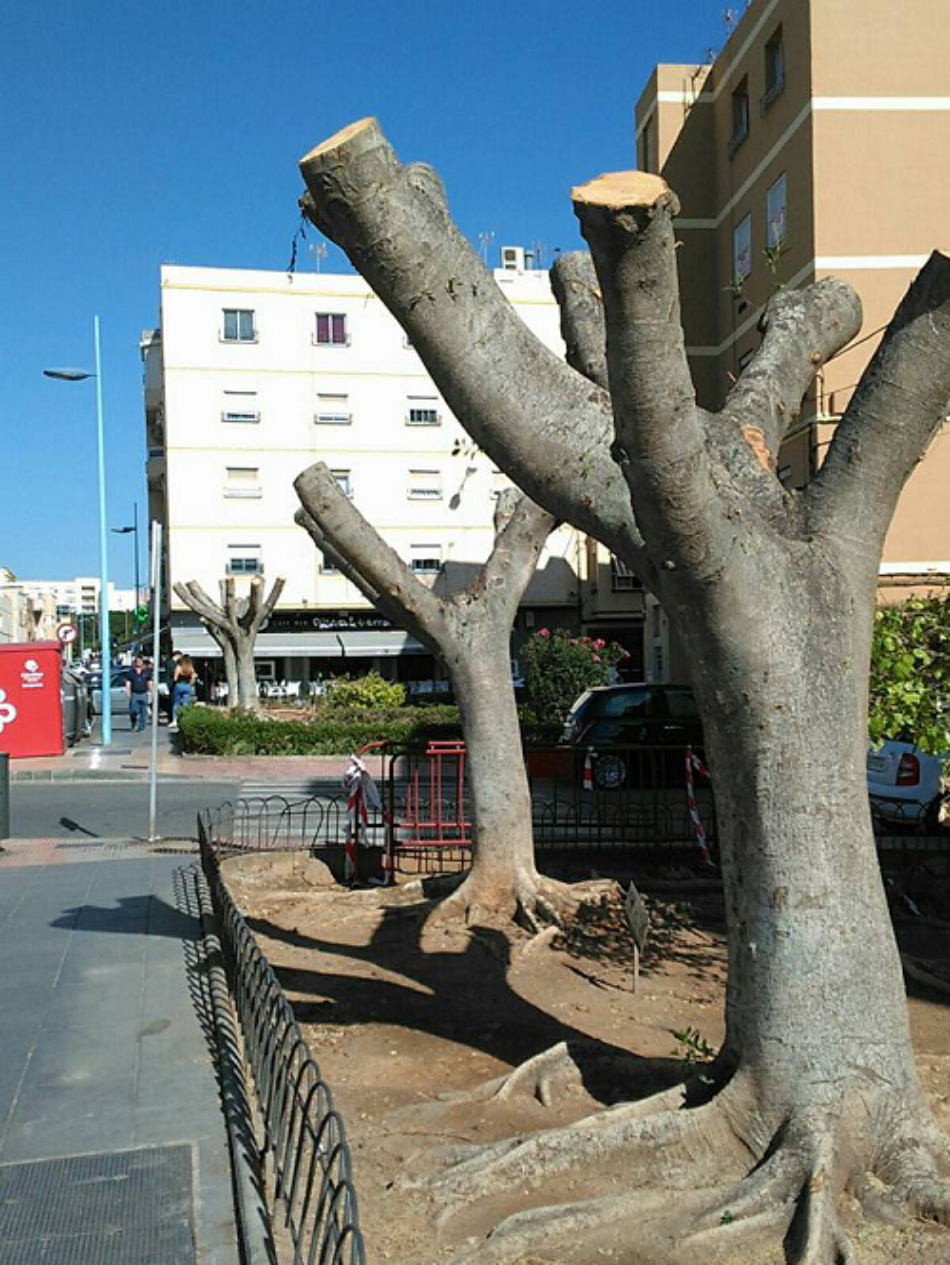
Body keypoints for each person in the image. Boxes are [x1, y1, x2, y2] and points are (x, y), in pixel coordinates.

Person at [125, 656, 152, 733]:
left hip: (144, 693)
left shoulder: (146, 672)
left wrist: (150, 692)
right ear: (135, 662)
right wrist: (128, 692)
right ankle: (133, 722)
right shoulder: (131, 672)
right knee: (133, 710)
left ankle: (142, 726)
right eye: (137, 661)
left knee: (144, 711)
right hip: (134, 693)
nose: (139, 663)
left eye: (140, 661)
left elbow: (149, 682)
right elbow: (128, 682)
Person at [169, 654, 196, 730]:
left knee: (176, 703)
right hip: (187, 686)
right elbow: (193, 678)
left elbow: (175, 678)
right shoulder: (190, 668)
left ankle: (175, 720)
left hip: (179, 685)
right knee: (185, 703)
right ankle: (185, 719)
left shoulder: (179, 667)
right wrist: (189, 684)